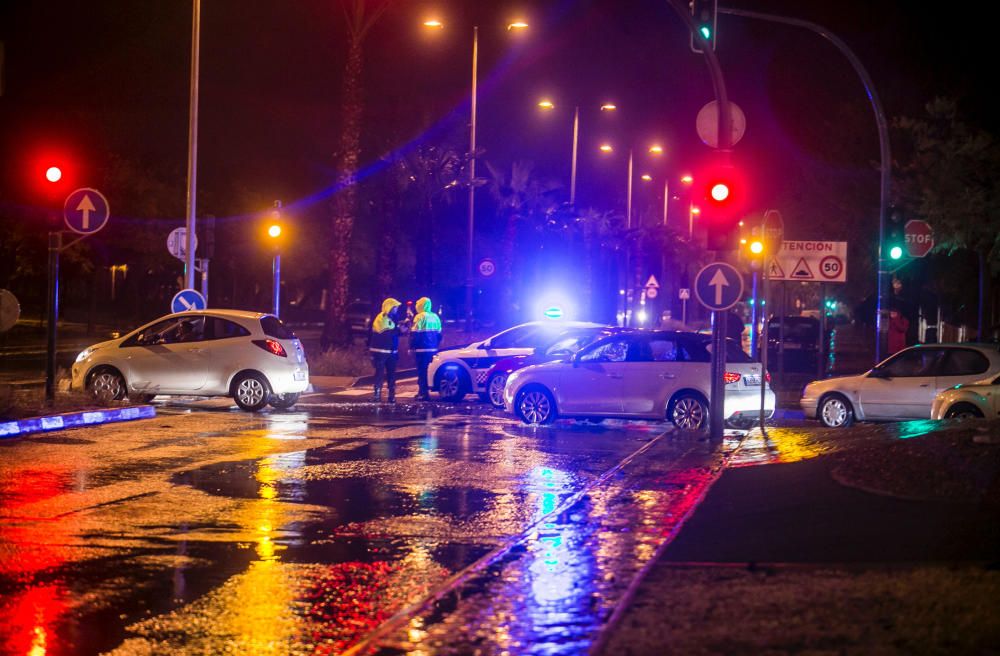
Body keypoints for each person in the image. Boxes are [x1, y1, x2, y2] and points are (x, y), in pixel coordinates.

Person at [368, 297, 402, 402]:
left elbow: (394, 333)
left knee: (391, 374)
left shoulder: (392, 319)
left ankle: (392, 395)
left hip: (391, 352)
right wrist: (398, 329)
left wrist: (401, 328)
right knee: (379, 373)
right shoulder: (381, 318)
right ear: (389, 307)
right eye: (395, 307)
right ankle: (377, 395)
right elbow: (386, 333)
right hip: (381, 352)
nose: (396, 310)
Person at [409, 296, 442, 400]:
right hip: (433, 349)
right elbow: (440, 334)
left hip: (421, 349)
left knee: (421, 371)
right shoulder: (435, 317)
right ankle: (428, 390)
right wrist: (435, 345)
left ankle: (423, 393)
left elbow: (414, 334)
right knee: (430, 370)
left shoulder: (419, 317)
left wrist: (411, 347)